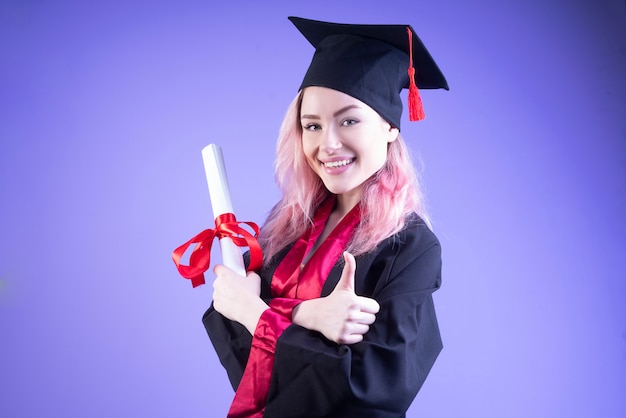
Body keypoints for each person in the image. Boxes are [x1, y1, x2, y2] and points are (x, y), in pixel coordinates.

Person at [203, 16, 448, 418]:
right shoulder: (287, 225)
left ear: (389, 127)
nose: (328, 144)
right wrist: (308, 316)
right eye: (311, 125)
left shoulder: (411, 247)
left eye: (349, 120)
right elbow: (236, 347)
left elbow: (369, 390)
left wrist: (256, 313)